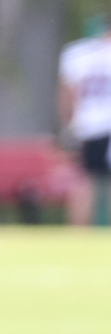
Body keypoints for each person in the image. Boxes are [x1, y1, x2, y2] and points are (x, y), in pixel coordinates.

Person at [58, 18, 111, 226]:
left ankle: (78, 236)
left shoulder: (77, 53)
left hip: (86, 126)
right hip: (106, 124)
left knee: (84, 181)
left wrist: (68, 125)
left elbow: (67, 95)